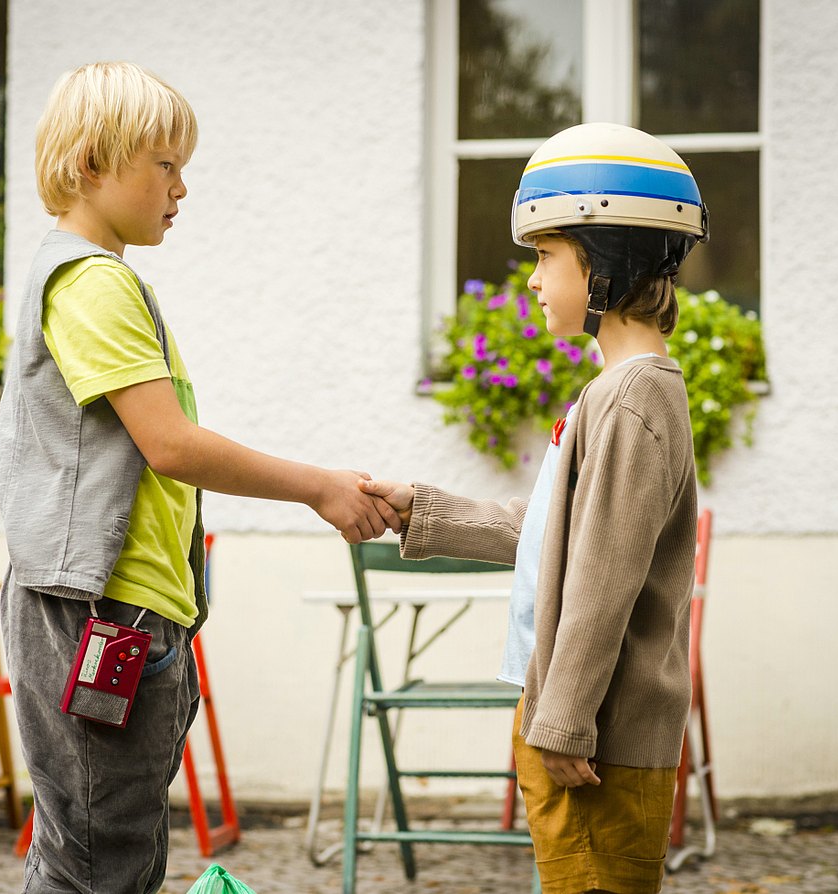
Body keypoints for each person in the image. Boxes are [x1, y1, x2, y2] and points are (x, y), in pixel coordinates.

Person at [0, 62, 398, 894]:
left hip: (125, 616)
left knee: (97, 860)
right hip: (99, 617)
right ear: (91, 164)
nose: (182, 187)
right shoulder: (90, 283)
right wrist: (320, 486)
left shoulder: (101, 280)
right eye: (165, 164)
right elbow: (169, 445)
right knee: (101, 867)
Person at [360, 122, 709, 894]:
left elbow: (603, 580)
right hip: (578, 728)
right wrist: (423, 511)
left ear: (608, 263)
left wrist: (561, 720)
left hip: (597, 743)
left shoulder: (632, 400)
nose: (531, 278)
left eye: (547, 257)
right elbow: (555, 537)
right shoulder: (615, 393)